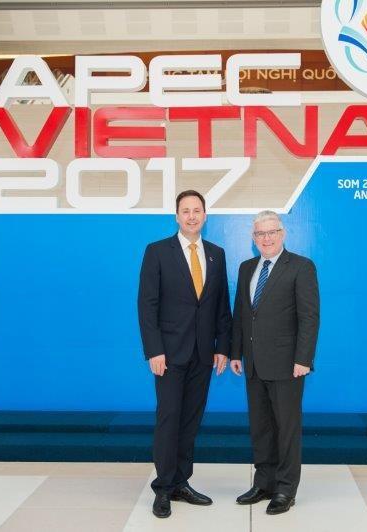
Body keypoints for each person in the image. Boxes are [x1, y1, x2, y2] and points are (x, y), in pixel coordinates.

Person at [137, 190, 232, 519]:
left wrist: (223, 347)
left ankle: (181, 482)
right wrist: (154, 350)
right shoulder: (157, 252)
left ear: (205, 215)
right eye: (185, 211)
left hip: (203, 355)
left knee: (190, 421)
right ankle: (162, 488)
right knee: (169, 419)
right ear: (176, 216)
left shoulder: (216, 255)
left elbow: (221, 306)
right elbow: (147, 305)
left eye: (197, 210)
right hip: (169, 355)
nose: (192, 216)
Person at [230, 210, 320, 515]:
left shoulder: (301, 267)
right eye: (260, 234)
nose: (266, 239)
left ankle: (285, 489)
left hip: (287, 364)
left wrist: (303, 359)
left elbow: (309, 317)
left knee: (287, 428)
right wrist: (235, 352)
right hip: (253, 364)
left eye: (272, 232)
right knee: (261, 427)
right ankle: (264, 482)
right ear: (253, 238)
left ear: (282, 234)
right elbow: (242, 314)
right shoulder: (246, 268)